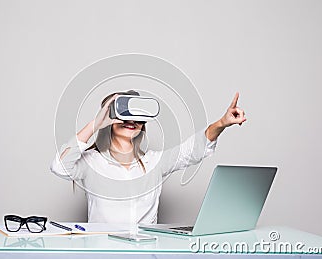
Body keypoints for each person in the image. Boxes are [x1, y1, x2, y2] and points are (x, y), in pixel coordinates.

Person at [50, 90, 246, 224]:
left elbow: (192, 150)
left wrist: (221, 123)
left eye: (137, 116)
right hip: (103, 250)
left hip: (146, 251)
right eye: (123, 114)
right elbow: (59, 165)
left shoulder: (154, 161)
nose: (131, 121)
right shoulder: (91, 162)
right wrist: (95, 123)